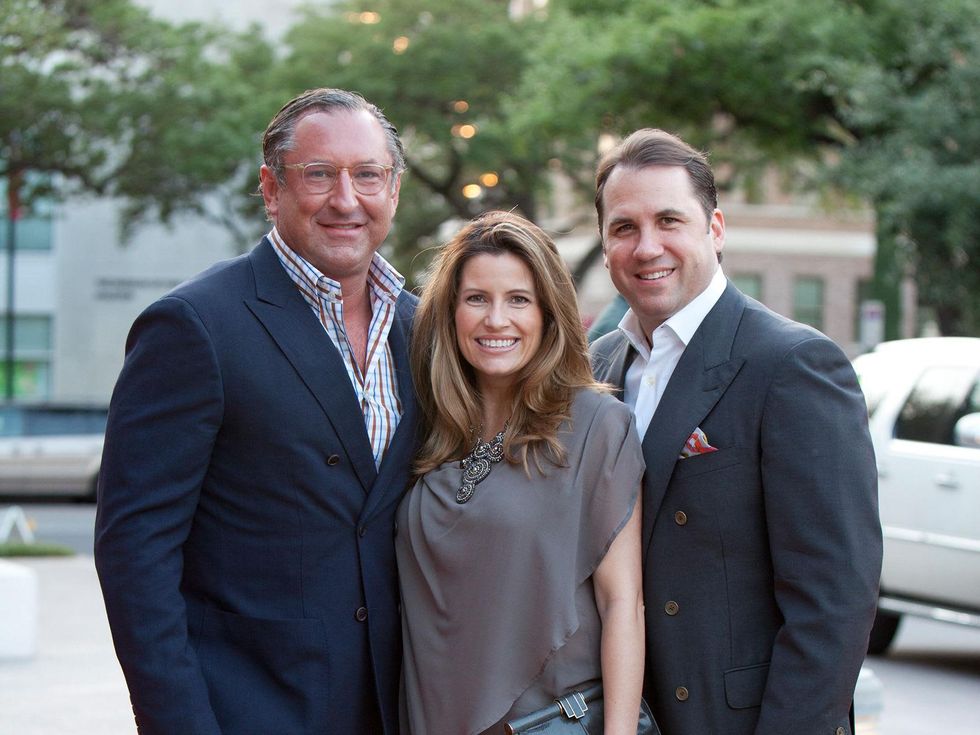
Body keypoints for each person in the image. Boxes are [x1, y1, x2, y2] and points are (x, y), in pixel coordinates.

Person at [94, 88, 417, 734]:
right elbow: (135, 550)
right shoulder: (196, 327)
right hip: (249, 710)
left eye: (367, 175)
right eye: (319, 174)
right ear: (272, 189)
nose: (346, 199)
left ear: (394, 189)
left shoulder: (423, 328)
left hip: (395, 710)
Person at [590, 128, 881, 735]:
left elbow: (834, 601)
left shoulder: (793, 364)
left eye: (670, 220)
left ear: (715, 229)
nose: (647, 247)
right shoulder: (595, 367)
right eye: (624, 228)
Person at [398, 210, 647, 735]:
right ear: (450, 313)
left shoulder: (595, 425)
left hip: (546, 720)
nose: (496, 320)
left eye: (518, 299)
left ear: (547, 315)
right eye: (476, 299)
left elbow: (623, 602)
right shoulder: (429, 429)